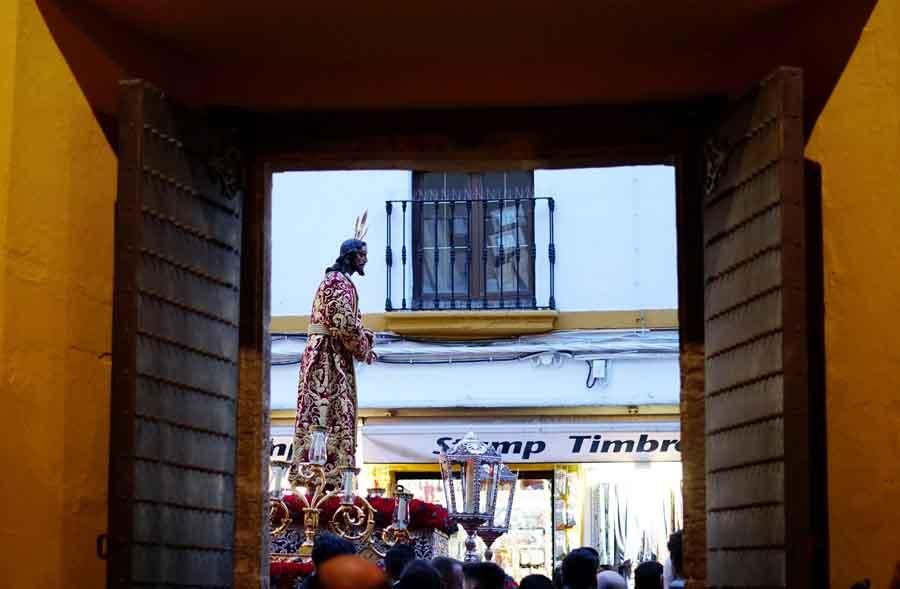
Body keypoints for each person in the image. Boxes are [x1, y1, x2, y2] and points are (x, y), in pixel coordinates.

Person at [292, 221, 376, 488]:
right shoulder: (336, 282)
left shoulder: (338, 281)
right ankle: (324, 477)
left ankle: (328, 478)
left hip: (330, 355)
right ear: (350, 256)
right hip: (326, 359)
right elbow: (343, 323)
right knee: (326, 415)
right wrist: (364, 347)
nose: (365, 260)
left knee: (330, 416)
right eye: (362, 254)